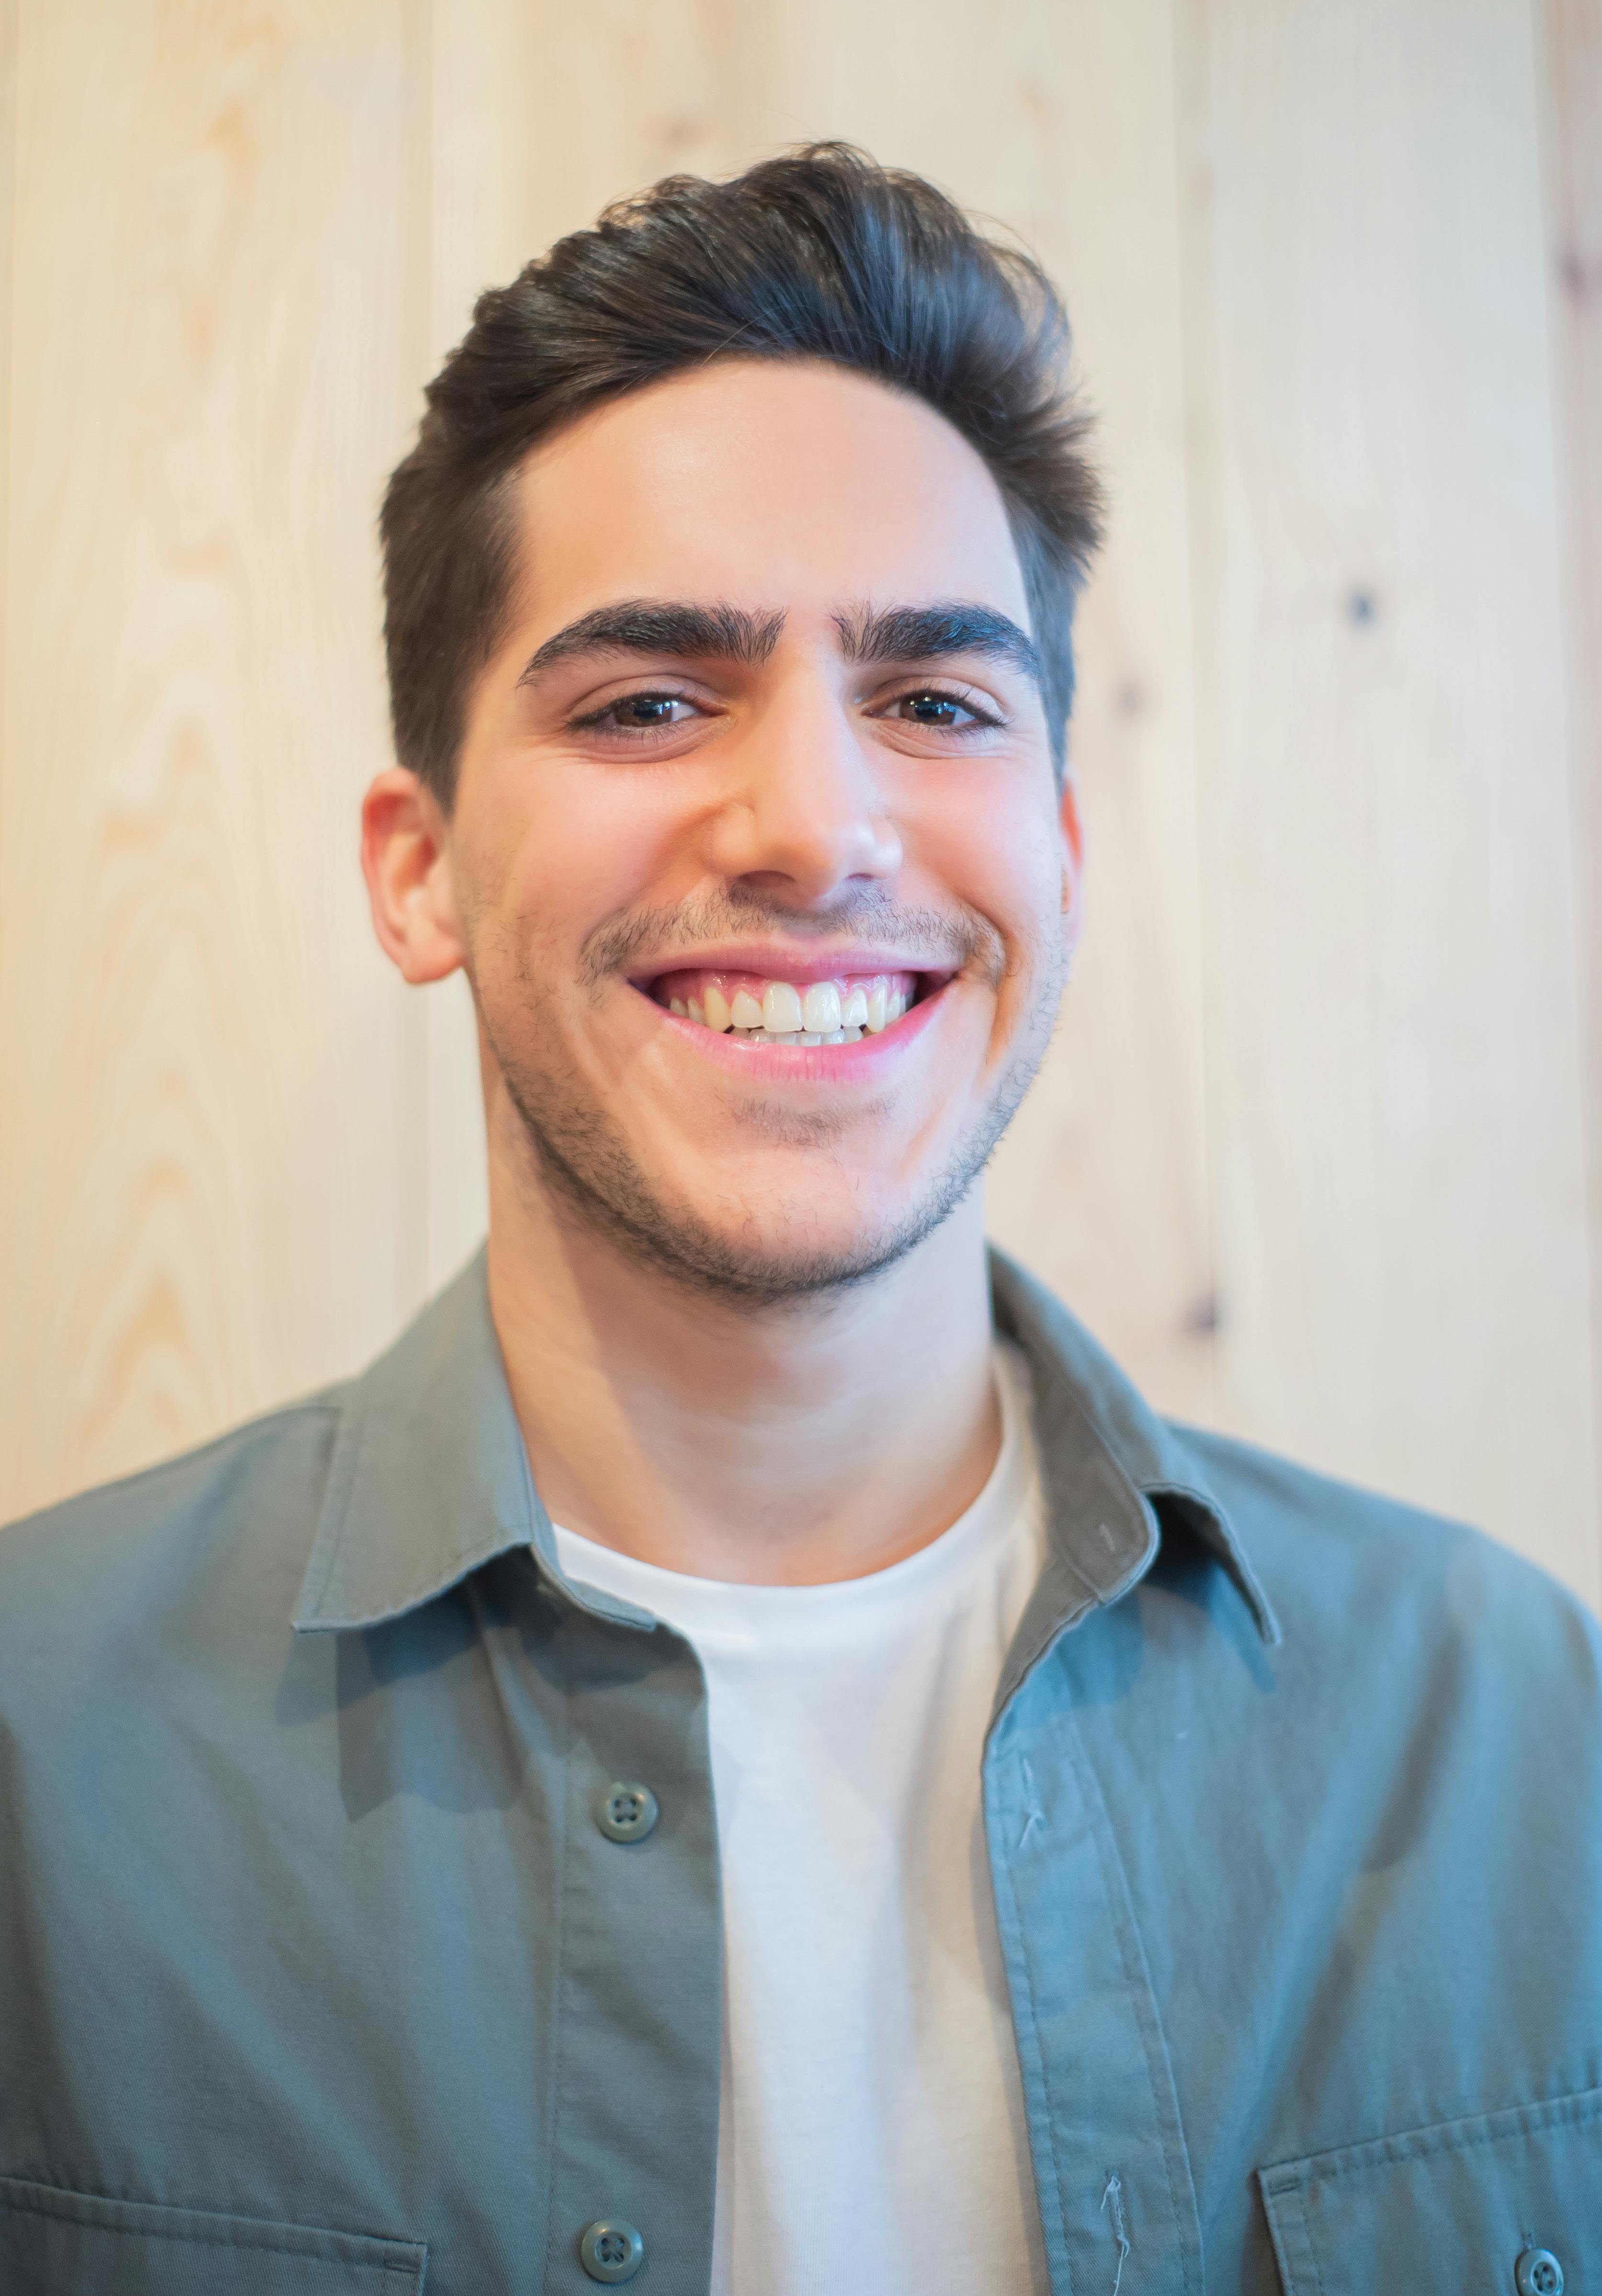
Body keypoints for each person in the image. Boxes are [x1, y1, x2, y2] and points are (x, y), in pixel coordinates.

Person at [2, 146, 1598, 2296]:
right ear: (417, 865)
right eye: (650, 700)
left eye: (934, 703)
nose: (818, 828)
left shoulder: (1512, 1726)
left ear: (1057, 848)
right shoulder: (40, 1759)